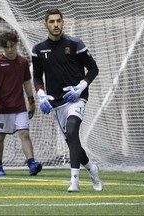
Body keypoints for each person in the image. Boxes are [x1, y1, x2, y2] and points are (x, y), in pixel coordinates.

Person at [31, 9, 103, 192]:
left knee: (72, 131)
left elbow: (93, 69)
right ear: (45, 24)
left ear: (63, 23)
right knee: (72, 141)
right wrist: (41, 95)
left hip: (77, 98)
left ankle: (74, 182)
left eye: (59, 21)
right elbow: (38, 77)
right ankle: (92, 169)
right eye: (52, 22)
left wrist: (80, 87)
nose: (56, 25)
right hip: (56, 103)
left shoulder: (75, 43)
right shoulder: (38, 49)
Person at [0, 32, 42, 176]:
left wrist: (31, 101)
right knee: (0, 136)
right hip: (1, 108)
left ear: (16, 44)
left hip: (19, 107)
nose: (9, 49)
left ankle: (32, 164)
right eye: (6, 47)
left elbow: (27, 83)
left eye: (12, 46)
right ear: (2, 47)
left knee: (24, 134)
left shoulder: (22, 62)